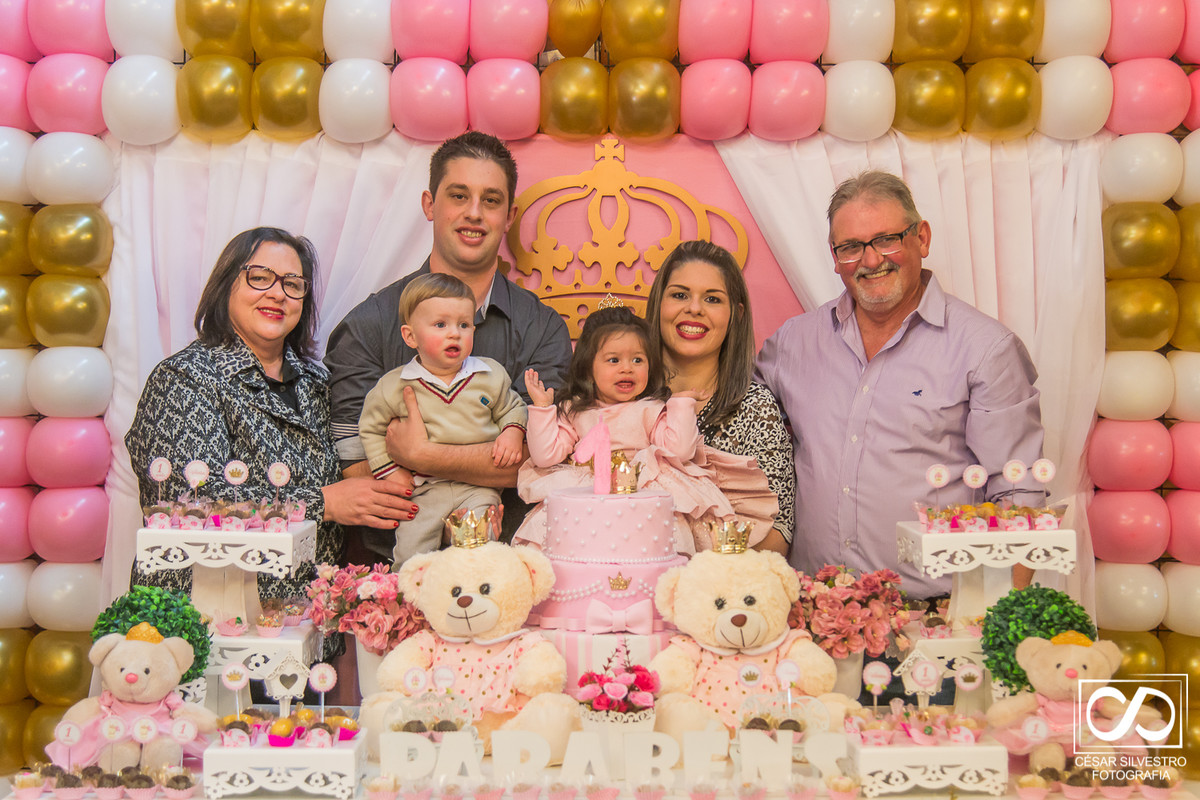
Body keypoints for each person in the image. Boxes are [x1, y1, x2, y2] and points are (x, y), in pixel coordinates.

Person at [756, 171, 1044, 600]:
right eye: (851, 247)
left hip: (934, 615)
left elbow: (1018, 491)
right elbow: (742, 432)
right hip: (809, 609)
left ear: (921, 238)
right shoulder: (792, 344)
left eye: (887, 239)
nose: (871, 260)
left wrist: (995, 617)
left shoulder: (986, 350)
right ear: (835, 257)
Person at [126, 227, 412, 616]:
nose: (278, 294)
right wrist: (323, 503)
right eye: (260, 277)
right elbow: (186, 502)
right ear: (226, 285)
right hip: (207, 622)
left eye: (293, 284)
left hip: (305, 622)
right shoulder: (186, 378)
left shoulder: (317, 382)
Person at [325, 131, 572, 560]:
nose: (474, 213)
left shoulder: (543, 329)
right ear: (429, 204)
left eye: (490, 200)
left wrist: (422, 454)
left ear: (509, 216)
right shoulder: (367, 326)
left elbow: (540, 459)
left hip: (508, 567)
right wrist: (482, 462)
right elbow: (355, 465)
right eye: (458, 196)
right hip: (391, 571)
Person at [513, 305, 777, 554]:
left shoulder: (650, 409)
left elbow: (681, 451)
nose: (627, 368)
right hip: (588, 496)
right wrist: (542, 408)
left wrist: (681, 404)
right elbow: (545, 456)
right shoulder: (575, 411)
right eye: (613, 360)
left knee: (657, 540)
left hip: (642, 494)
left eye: (638, 360)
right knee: (568, 539)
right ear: (588, 369)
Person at [358, 273, 528, 566]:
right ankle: (410, 593)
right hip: (425, 490)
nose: (454, 334)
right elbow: (371, 429)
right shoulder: (394, 386)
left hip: (478, 487)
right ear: (410, 336)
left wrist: (512, 432)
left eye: (464, 325)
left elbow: (513, 407)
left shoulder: (489, 374)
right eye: (440, 325)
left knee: (479, 543)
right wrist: (388, 471)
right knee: (411, 553)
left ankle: (472, 591)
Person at [645, 240, 795, 556]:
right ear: (658, 303)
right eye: (679, 295)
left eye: (712, 299)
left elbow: (779, 529)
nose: (694, 308)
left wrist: (708, 580)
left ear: (736, 314)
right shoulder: (625, 397)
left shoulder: (754, 408)